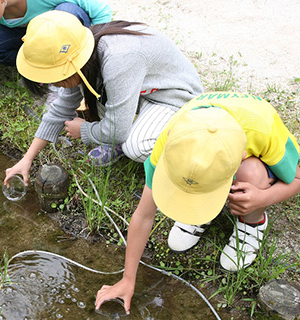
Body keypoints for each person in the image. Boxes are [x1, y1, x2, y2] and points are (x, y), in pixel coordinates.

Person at [94, 91, 300, 314]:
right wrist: (128, 278)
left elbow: (297, 178)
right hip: (211, 138)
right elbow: (144, 214)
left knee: (251, 173)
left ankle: (252, 222)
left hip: (254, 154)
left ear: (238, 156)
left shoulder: (262, 128)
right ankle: (198, 215)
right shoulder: (174, 139)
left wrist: (262, 197)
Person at [3, 10, 203, 182]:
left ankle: (186, 162)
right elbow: (62, 107)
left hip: (173, 97)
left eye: (54, 77)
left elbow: (119, 130)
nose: (54, 83)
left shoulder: (118, 59)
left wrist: (86, 131)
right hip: (142, 91)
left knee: (136, 147)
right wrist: (27, 158)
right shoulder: (82, 54)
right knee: (98, 98)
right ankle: (117, 141)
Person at [0, 0, 112, 89]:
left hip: (64, 32)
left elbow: (102, 11)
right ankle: (38, 67)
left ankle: (64, 66)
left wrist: (93, 54)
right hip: (30, 37)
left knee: (68, 11)